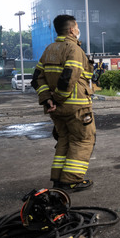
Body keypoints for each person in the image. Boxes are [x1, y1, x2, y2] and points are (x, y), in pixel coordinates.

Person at [30, 14, 95, 191]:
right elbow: (69, 77)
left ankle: (58, 179)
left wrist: (48, 99)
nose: (78, 30)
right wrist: (57, 99)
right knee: (83, 140)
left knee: (64, 140)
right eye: (77, 27)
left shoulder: (49, 49)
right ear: (72, 30)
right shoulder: (73, 49)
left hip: (56, 109)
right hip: (77, 107)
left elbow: (37, 79)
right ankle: (72, 180)